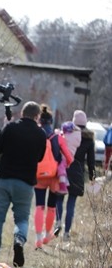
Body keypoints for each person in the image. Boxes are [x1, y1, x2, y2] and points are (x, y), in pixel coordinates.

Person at [0, 101, 46, 268]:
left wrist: (3, 128)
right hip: (25, 183)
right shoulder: (40, 134)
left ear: (22, 113)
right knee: (22, 218)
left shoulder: (11, 128)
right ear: (37, 117)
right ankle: (19, 240)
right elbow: (40, 158)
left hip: (4, 179)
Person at [34, 105, 73, 249]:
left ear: (40, 121)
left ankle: (37, 238)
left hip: (39, 175)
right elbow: (70, 158)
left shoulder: (36, 134)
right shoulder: (58, 137)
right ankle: (46, 235)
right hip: (54, 176)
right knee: (51, 207)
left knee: (39, 206)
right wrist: (62, 166)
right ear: (51, 122)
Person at [56, 110, 96, 241]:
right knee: (71, 204)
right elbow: (91, 161)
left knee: (59, 199)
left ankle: (57, 224)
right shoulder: (89, 139)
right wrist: (92, 177)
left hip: (64, 169)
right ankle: (66, 232)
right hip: (77, 172)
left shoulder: (67, 134)